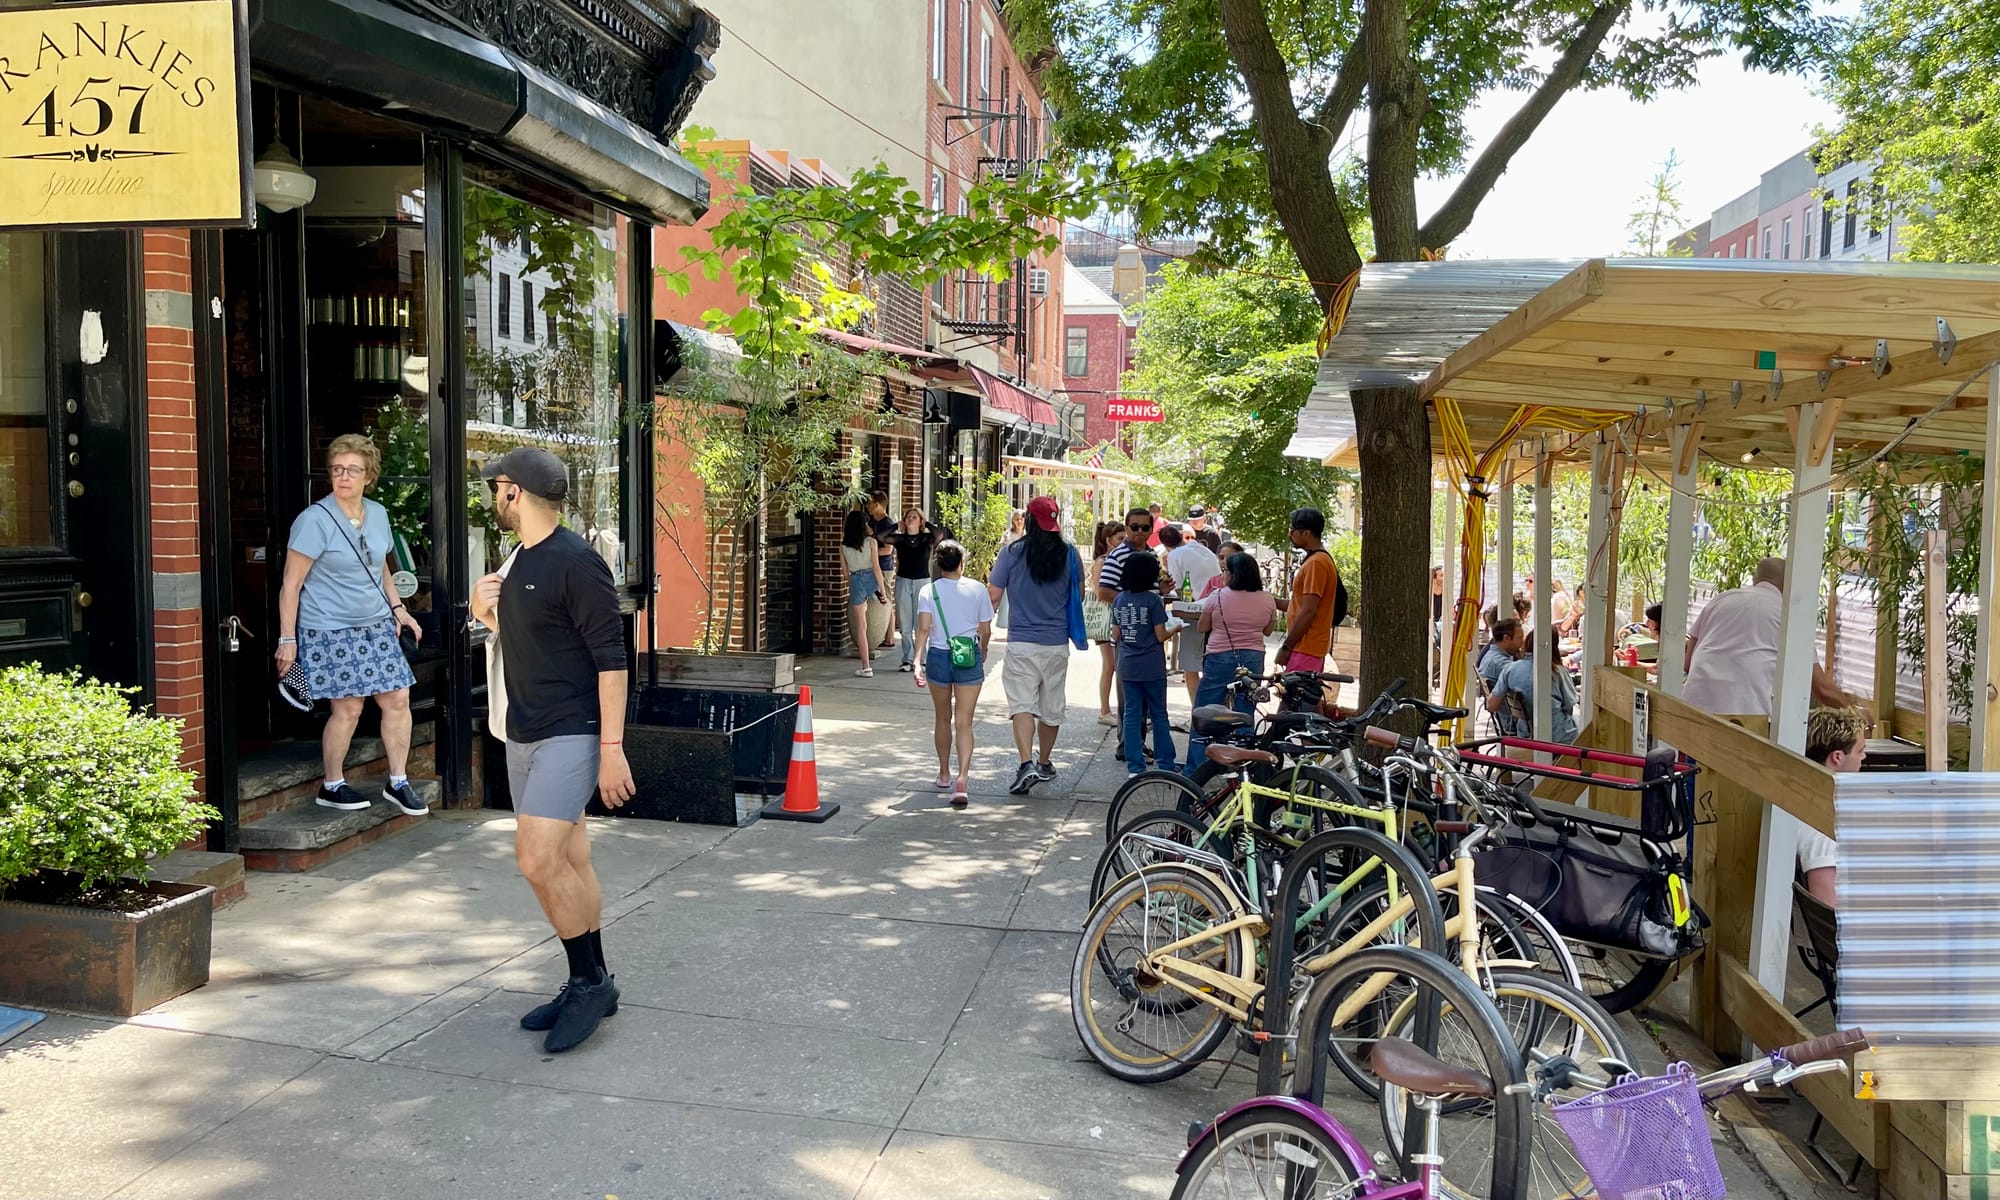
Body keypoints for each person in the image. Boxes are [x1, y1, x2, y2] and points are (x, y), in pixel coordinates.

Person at [471, 446, 635, 1054]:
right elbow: (530, 638)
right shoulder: (517, 559)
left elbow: (611, 662)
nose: (494, 498)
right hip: (524, 730)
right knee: (571, 857)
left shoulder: (575, 562)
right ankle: (592, 979)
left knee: (537, 859)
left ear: (514, 492)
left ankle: (589, 983)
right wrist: (482, 611)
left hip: (571, 729)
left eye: (497, 489)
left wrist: (611, 749)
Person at [276, 433, 427, 818]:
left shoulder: (378, 514)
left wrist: (398, 608)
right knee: (349, 707)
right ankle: (332, 785)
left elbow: (381, 569)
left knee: (397, 698)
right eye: (337, 469)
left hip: (376, 624)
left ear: (368, 475)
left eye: (353, 470)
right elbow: (291, 584)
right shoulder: (314, 520)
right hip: (330, 627)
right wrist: (287, 639)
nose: (344, 477)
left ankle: (398, 781)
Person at [988, 495, 1086, 794]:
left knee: (1022, 705)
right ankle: (1044, 762)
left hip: (1021, 641)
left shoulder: (1011, 552)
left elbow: (993, 595)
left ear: (1028, 520)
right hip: (1056, 642)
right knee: (1051, 707)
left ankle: (1025, 763)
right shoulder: (1070, 554)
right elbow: (1079, 594)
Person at [1683, 556, 1850, 717]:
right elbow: (1822, 689)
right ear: (1789, 584)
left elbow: (1688, 663)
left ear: (1756, 578)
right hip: (1745, 717)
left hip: (1692, 707)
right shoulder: (1788, 615)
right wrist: (1853, 711)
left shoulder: (1721, 599)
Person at [914, 539, 994, 807]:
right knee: (964, 721)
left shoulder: (928, 591)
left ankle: (944, 773)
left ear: (938, 565)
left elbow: (923, 629)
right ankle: (962, 778)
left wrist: (917, 661)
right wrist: (982, 650)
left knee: (942, 717)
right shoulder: (977, 589)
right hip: (967, 655)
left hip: (938, 656)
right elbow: (985, 630)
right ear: (961, 563)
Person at [1190, 551, 1278, 768]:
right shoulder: (1267, 599)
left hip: (1220, 656)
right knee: (1245, 710)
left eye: (1225, 571)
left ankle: (1197, 766)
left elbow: (1202, 627)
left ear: (1234, 574)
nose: (1223, 575)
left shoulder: (1218, 596)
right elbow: (1268, 630)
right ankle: (1243, 764)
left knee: (1205, 709)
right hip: (1253, 657)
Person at [1113, 551, 1179, 774]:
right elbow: (1160, 635)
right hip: (1151, 664)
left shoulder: (1119, 599)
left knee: (1131, 714)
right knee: (1159, 713)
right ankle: (1165, 763)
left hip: (1127, 664)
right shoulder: (1153, 600)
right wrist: (1176, 628)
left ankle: (1134, 765)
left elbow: (1115, 634)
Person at [1797, 705, 1868, 906]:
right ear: (1837, 757)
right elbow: (1828, 910)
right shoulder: (1825, 826)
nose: (1864, 757)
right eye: (1860, 750)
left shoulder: (1800, 796)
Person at [1272, 507, 1341, 672]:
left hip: (1305, 649)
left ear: (1306, 533)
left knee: (1296, 689)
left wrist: (1286, 647)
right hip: (1305, 649)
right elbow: (1300, 605)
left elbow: (1309, 611)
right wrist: (1270, 601)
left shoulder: (1316, 563)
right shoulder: (1315, 560)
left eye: (1292, 530)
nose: (1289, 534)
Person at [1163, 523, 1220, 705]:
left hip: (1194, 612)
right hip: (1218, 609)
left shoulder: (1174, 555)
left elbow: (1179, 588)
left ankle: (1196, 709)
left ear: (1165, 545)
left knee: (1191, 665)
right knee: (1213, 664)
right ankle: (1214, 707)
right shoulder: (1203, 550)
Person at [1488, 631, 1579, 742]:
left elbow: (1491, 706)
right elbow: (1568, 706)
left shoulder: (1510, 669)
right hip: (1558, 735)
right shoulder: (1557, 671)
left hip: (1525, 734)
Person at [883, 506, 940, 672]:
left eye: (914, 517)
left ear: (920, 521)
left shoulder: (926, 538)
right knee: (905, 623)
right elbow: (881, 537)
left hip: (923, 582)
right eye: (908, 517)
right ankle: (908, 659)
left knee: (922, 622)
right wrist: (896, 525)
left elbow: (939, 534)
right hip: (903, 581)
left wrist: (926, 523)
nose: (910, 519)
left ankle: (922, 658)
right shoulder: (900, 539)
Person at [840, 509, 889, 677]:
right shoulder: (871, 542)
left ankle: (866, 667)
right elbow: (876, 567)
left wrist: (853, 587)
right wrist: (882, 590)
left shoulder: (843, 546)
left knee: (861, 627)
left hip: (856, 580)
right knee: (884, 609)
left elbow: (845, 573)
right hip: (871, 579)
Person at [1087, 519, 1124, 727]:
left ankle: (1110, 709)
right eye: (1120, 539)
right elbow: (1099, 592)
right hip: (1105, 618)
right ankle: (1104, 710)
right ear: (1109, 540)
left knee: (1114, 664)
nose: (1123, 542)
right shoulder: (1102, 561)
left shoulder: (1116, 560)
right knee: (1110, 665)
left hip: (1115, 617)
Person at [866, 490, 898, 651]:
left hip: (884, 567)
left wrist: (869, 554)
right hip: (875, 566)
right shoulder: (874, 522)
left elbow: (888, 549)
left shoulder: (887, 524)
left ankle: (890, 637)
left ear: (877, 504)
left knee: (886, 600)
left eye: (869, 502)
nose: (867, 506)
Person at [1479, 618, 1526, 690]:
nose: (1523, 642)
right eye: (1520, 637)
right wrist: (1525, 657)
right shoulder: (1501, 664)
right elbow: (1527, 684)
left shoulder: (1489, 655)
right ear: (1506, 638)